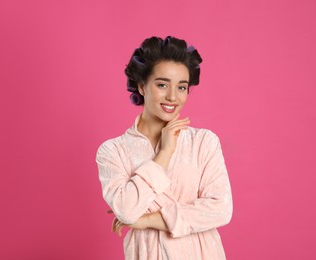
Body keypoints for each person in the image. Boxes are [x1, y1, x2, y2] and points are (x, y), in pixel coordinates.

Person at [96, 36, 233, 259]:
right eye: (162, 84)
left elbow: (220, 209)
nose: (172, 96)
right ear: (141, 86)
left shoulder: (203, 142)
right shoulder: (113, 151)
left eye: (182, 87)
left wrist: (147, 220)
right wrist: (165, 153)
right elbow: (127, 210)